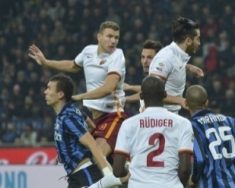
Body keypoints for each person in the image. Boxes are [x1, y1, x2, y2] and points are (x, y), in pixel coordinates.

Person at [29, 21, 127, 159]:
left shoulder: (118, 56)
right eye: (109, 36)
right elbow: (73, 65)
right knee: (81, 157)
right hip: (91, 115)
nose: (113, 41)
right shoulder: (88, 51)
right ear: (99, 37)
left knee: (97, 158)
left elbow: (108, 88)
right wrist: (46, 62)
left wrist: (80, 97)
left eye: (116, 37)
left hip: (112, 115)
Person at [44, 74, 126, 188]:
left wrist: (107, 173)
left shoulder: (67, 117)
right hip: (76, 176)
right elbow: (91, 125)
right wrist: (64, 149)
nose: (45, 92)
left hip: (85, 173)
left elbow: (92, 143)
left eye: (49, 88)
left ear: (60, 94)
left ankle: (109, 181)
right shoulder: (72, 111)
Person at [112, 76, 193, 188]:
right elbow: (185, 170)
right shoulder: (183, 123)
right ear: (165, 94)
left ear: (141, 96)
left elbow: (117, 170)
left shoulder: (128, 124)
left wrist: (129, 173)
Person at [186, 85, 235, 188]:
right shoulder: (229, 120)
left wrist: (194, 179)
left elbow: (200, 159)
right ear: (207, 102)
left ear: (185, 104)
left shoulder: (192, 126)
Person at [149, 17, 204, 114]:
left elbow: (173, 66)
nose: (199, 43)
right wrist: (181, 100)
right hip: (158, 119)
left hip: (170, 115)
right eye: (198, 39)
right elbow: (153, 93)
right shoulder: (165, 58)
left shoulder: (178, 54)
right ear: (188, 41)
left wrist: (188, 67)